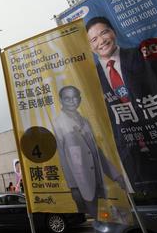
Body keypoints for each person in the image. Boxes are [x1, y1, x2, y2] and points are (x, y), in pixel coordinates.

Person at [86, 16, 157, 189]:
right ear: (90, 46)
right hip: (135, 161)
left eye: (104, 32)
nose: (101, 41)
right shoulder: (92, 79)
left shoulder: (144, 55)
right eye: (94, 39)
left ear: (113, 32)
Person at [53, 86, 125, 218]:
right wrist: (73, 185)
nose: (72, 101)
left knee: (108, 219)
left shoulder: (85, 121)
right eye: (67, 98)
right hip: (82, 182)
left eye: (75, 97)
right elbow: (62, 157)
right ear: (61, 100)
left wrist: (115, 175)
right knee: (98, 218)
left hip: (99, 180)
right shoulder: (58, 124)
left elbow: (96, 152)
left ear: (80, 99)